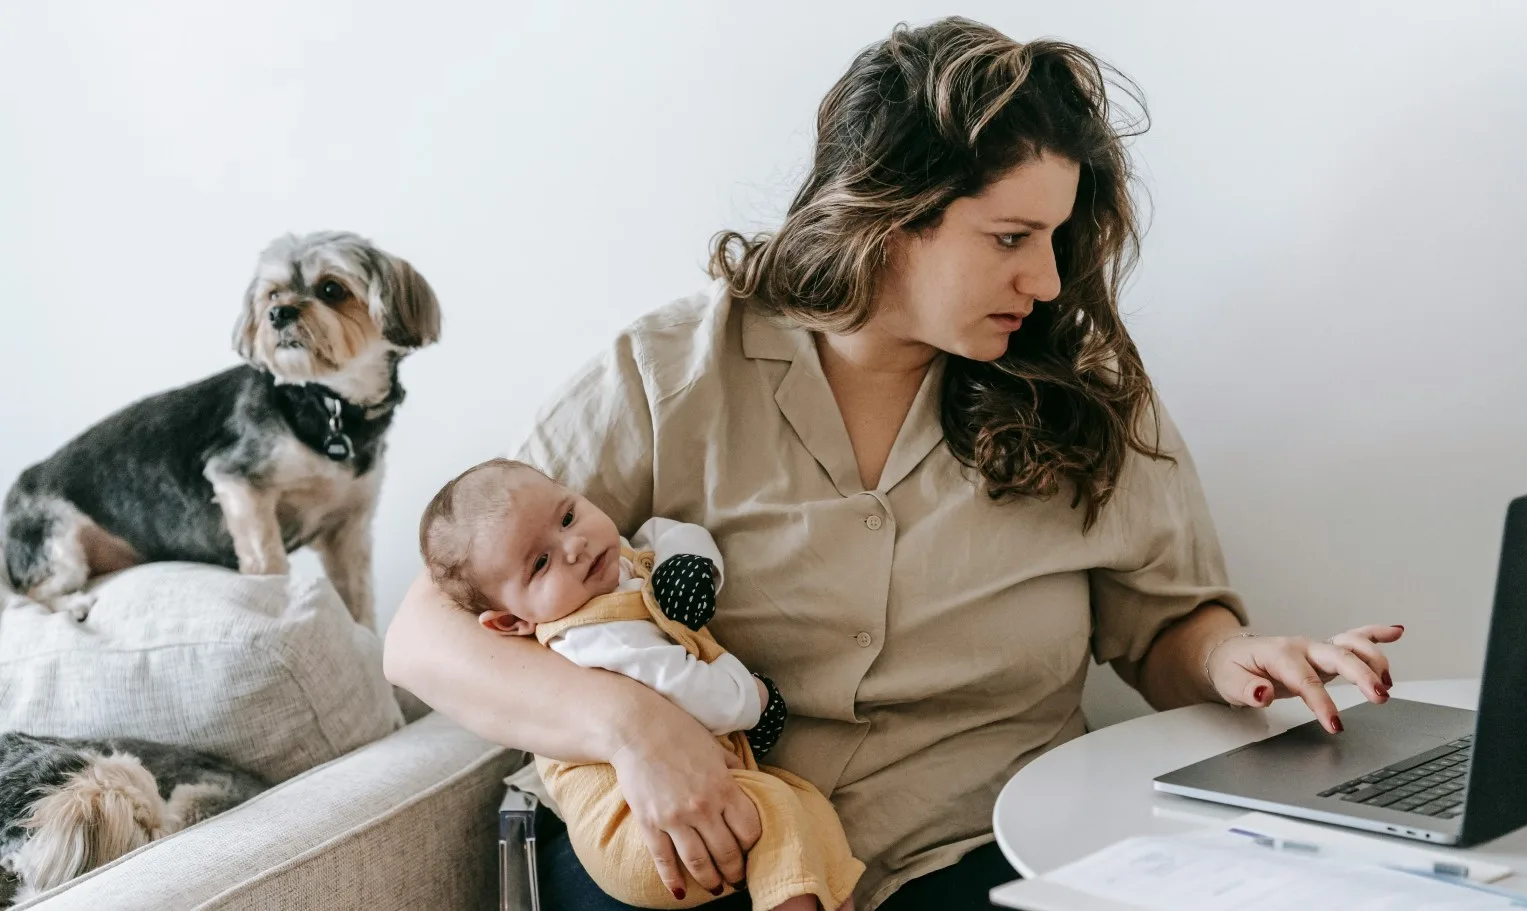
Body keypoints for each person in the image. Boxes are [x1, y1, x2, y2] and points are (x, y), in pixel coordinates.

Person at [384, 16, 1403, 911]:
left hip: (978, 847)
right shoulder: (667, 373)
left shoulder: (1084, 388)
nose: (1046, 279)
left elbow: (1168, 622)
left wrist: (1233, 660)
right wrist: (629, 719)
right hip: (701, 848)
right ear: (888, 214)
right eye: (1010, 235)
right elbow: (426, 633)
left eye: (1054, 237)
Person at [416, 458, 861, 910]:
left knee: (809, 808)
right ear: (511, 621)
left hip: (684, 802)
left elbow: (666, 532)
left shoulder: (615, 565)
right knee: (776, 814)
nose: (574, 546)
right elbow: (700, 696)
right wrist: (754, 695)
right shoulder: (590, 634)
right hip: (635, 833)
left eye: (568, 516)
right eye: (541, 563)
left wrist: (691, 566)